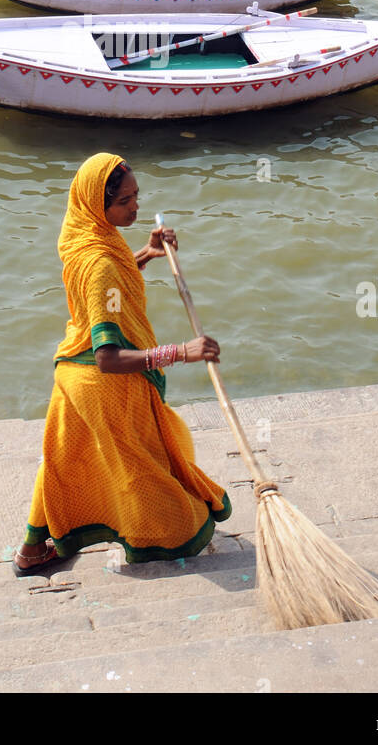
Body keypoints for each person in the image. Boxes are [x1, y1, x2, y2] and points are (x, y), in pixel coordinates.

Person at [13, 152, 232, 574]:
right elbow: (108, 357)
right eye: (124, 201)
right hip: (102, 386)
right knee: (145, 477)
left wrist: (147, 253)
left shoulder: (82, 237)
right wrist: (180, 352)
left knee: (62, 463)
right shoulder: (100, 265)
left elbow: (109, 286)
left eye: (137, 196)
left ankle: (32, 550)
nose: (134, 207)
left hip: (70, 377)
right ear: (100, 204)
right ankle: (158, 534)